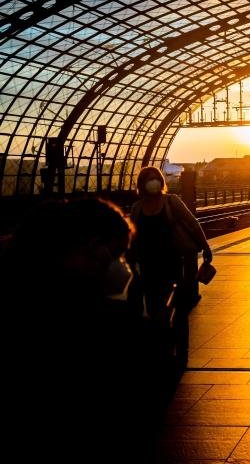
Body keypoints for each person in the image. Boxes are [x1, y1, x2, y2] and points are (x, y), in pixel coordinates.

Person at [6, 198, 162, 462]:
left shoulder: (17, 284)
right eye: (116, 254)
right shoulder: (105, 324)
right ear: (92, 246)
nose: (119, 265)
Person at [129, 167, 212, 316]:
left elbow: (193, 224)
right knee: (152, 302)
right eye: (149, 179)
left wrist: (205, 246)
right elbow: (132, 236)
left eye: (156, 178)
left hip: (171, 261)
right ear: (142, 184)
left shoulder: (171, 201)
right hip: (147, 263)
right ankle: (161, 333)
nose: (153, 182)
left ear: (161, 181)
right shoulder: (137, 208)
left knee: (174, 302)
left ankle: (175, 331)